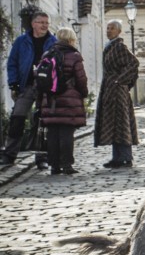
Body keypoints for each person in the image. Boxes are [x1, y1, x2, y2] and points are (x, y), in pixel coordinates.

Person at [1, 10, 57, 169]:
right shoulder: (21, 41)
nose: (44, 26)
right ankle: (10, 155)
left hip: (45, 88)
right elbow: (12, 63)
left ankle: (42, 158)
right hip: (26, 85)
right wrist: (13, 83)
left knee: (41, 122)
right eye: (41, 22)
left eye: (46, 23)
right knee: (17, 118)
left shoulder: (53, 42)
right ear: (33, 24)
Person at [38, 27, 89, 176]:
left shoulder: (47, 54)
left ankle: (54, 166)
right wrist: (83, 93)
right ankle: (67, 164)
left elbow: (41, 79)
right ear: (71, 39)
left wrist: (41, 100)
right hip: (69, 99)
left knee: (53, 133)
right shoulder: (74, 56)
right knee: (66, 133)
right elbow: (81, 79)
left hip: (50, 100)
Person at [94, 19, 139, 169]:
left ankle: (125, 157)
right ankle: (117, 157)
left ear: (119, 31)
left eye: (111, 28)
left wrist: (120, 81)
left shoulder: (119, 47)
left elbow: (133, 63)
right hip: (110, 89)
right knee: (113, 123)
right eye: (107, 28)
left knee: (121, 122)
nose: (108, 30)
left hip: (117, 91)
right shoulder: (110, 46)